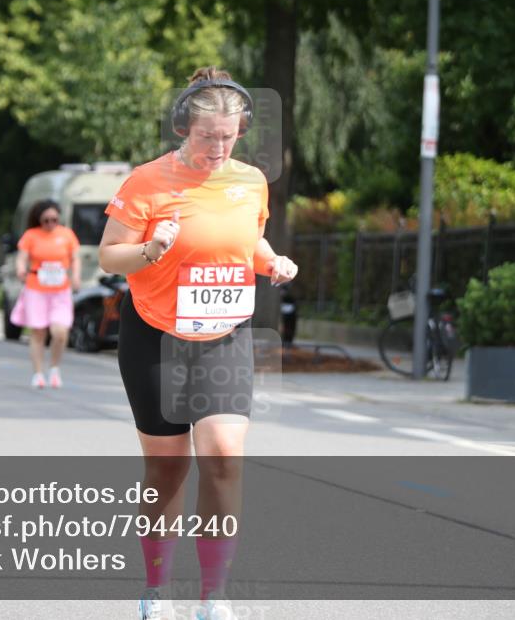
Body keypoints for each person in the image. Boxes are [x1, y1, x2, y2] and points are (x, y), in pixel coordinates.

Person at [99, 67, 298, 620]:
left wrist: (272, 261)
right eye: (207, 135)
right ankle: (155, 590)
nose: (216, 147)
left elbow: (248, 239)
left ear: (241, 131)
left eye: (228, 137)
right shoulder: (148, 182)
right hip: (155, 335)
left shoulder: (251, 181)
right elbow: (108, 254)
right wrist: (150, 249)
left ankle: (214, 596)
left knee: (225, 457)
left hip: (224, 336)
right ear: (185, 125)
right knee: (167, 469)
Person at [15, 200, 81, 388]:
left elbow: (75, 258)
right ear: (39, 220)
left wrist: (76, 276)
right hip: (36, 289)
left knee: (60, 332)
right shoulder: (31, 235)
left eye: (54, 219)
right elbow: (22, 258)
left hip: (60, 291)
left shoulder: (66, 235)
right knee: (38, 332)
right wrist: (20, 269)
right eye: (46, 220)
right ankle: (38, 373)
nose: (51, 224)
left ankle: (54, 368)